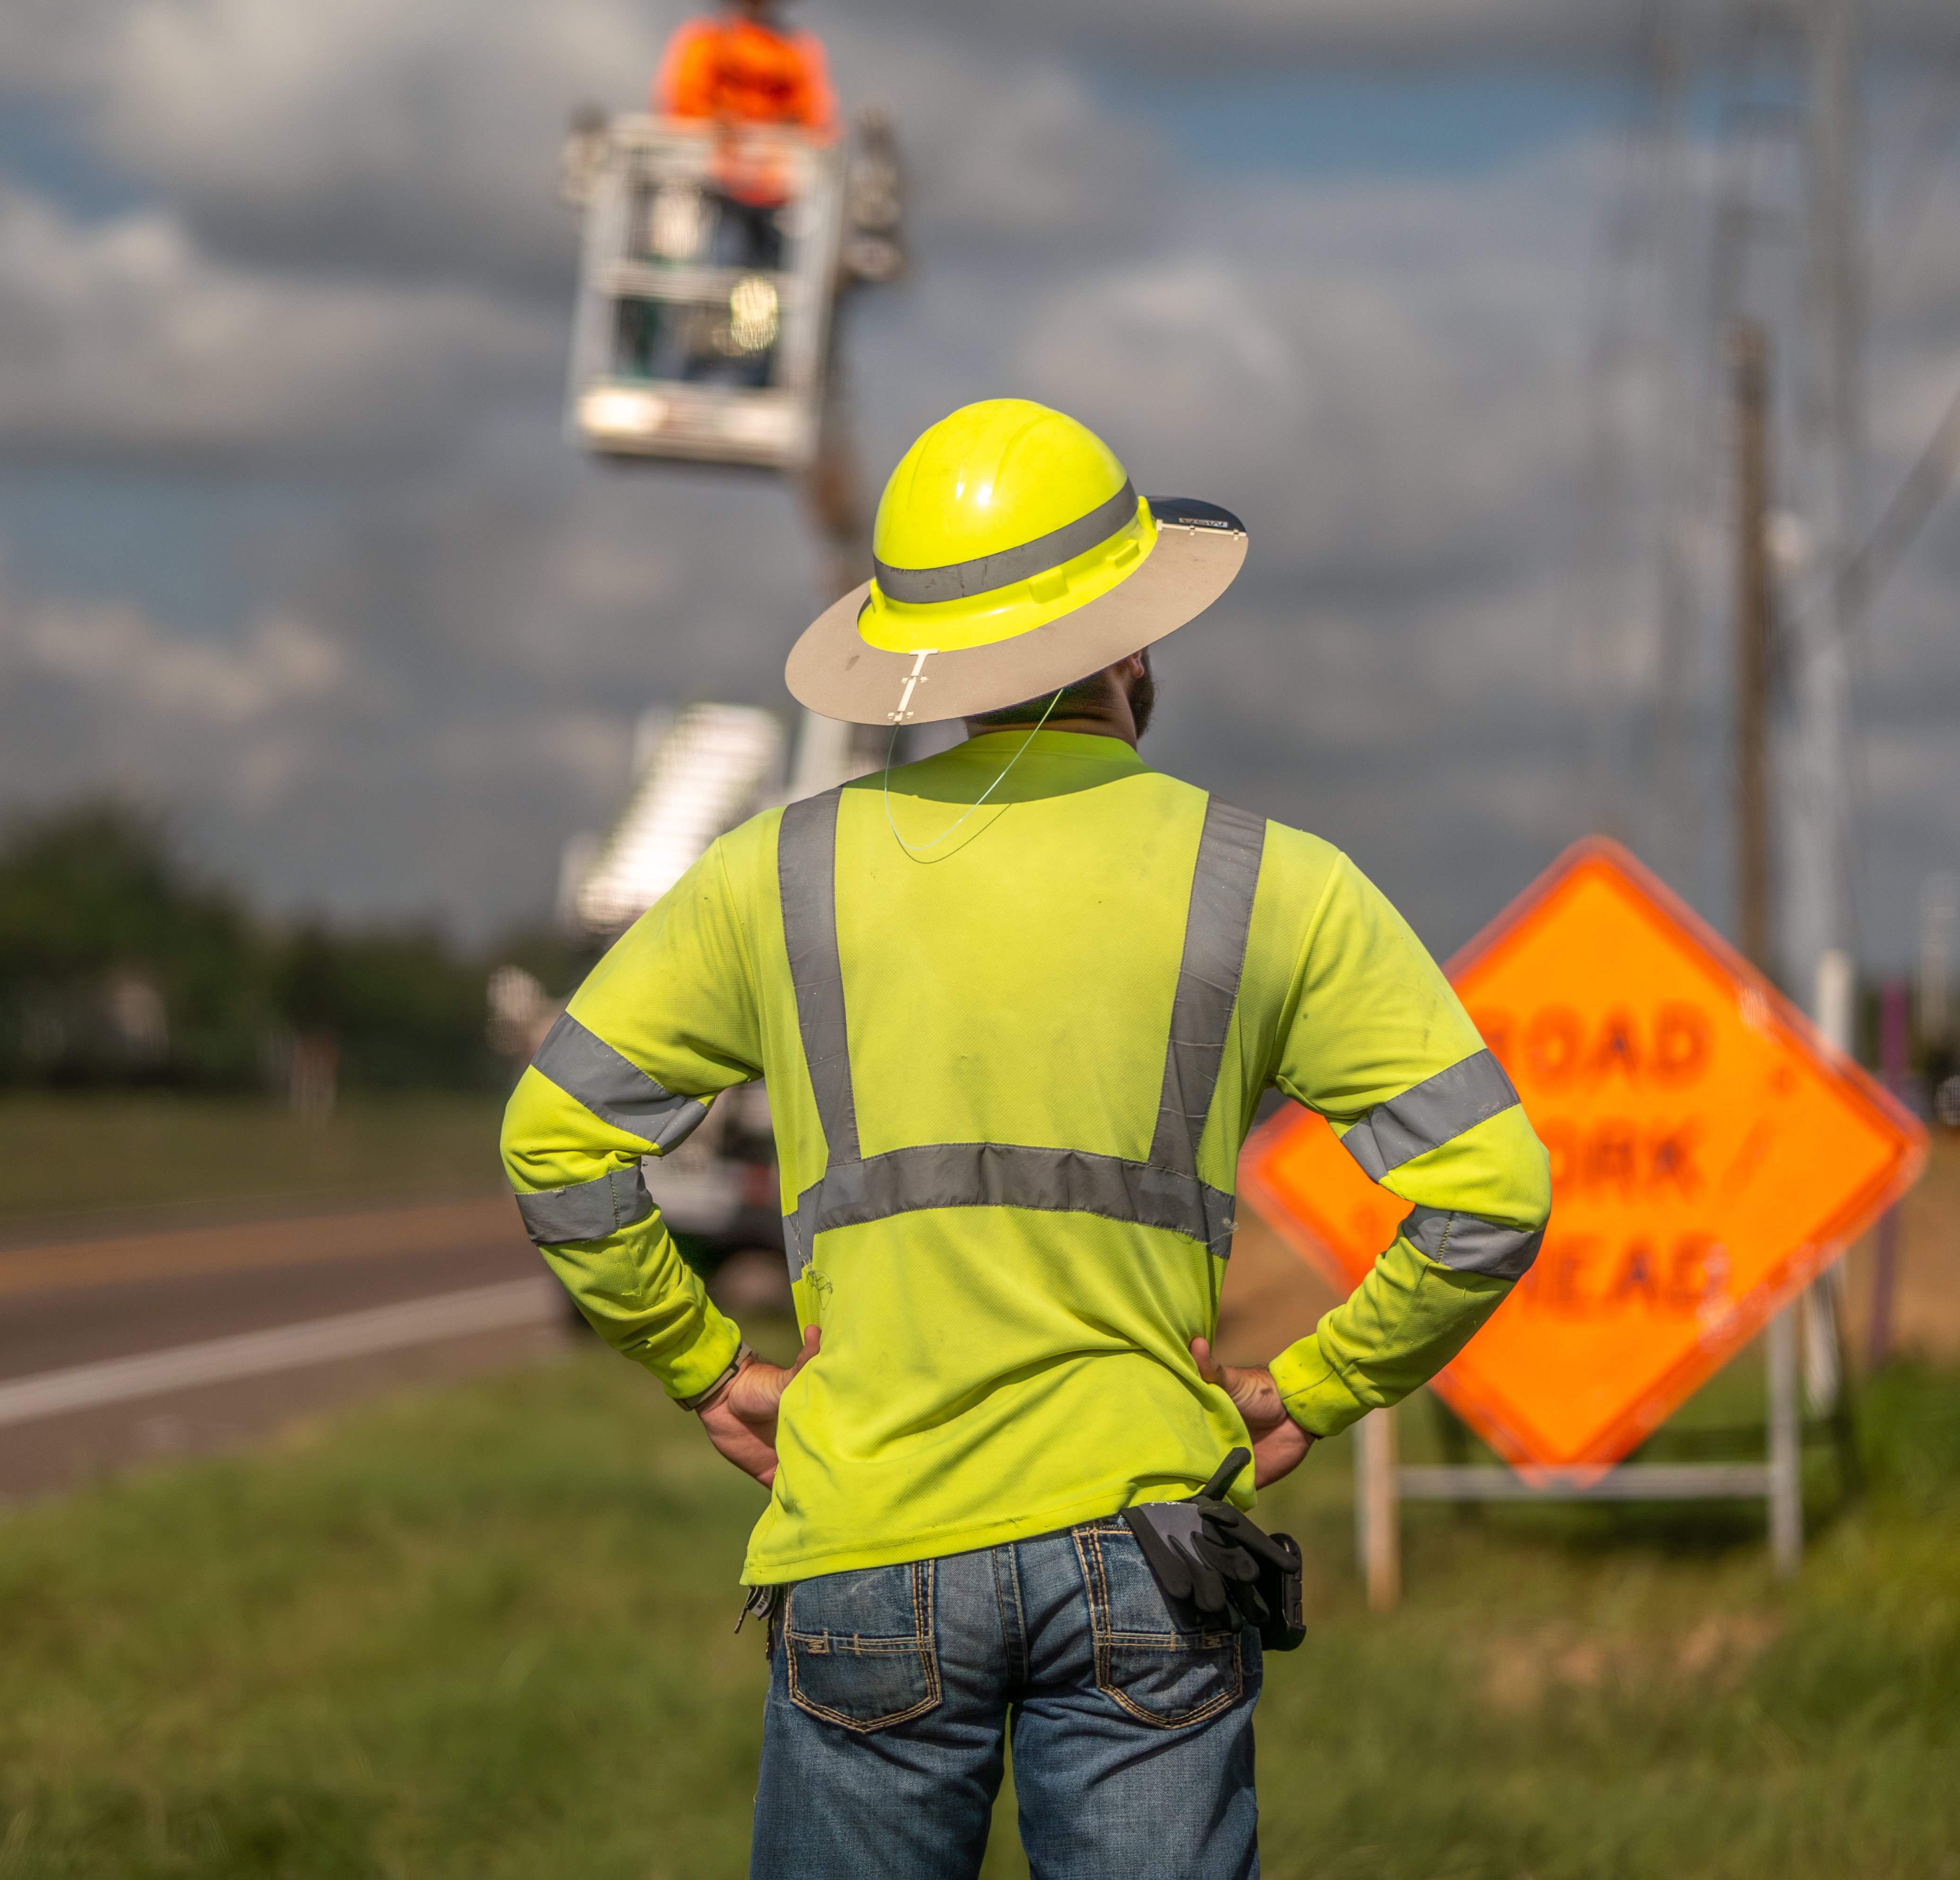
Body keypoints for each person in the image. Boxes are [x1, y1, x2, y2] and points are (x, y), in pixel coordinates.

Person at [501, 399, 1552, 1879]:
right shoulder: (1273, 885)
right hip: (1147, 1548)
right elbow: (1490, 1191)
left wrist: (702, 1365)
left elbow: (555, 1142)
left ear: (920, 657)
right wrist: (1314, 1386)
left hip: (865, 1538)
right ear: (1129, 636)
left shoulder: (778, 875)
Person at [651, 0, 835, 269]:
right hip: (702, 178)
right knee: (675, 247)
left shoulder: (796, 49)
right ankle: (670, 299)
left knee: (774, 269)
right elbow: (681, 104)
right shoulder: (705, 41)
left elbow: (814, 120)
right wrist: (714, 125)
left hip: (771, 191)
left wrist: (779, 138)